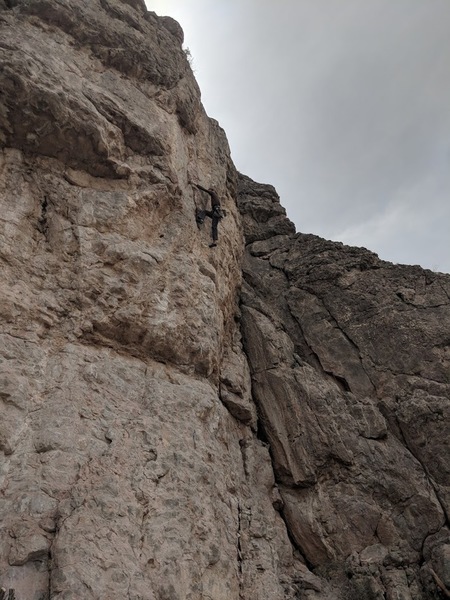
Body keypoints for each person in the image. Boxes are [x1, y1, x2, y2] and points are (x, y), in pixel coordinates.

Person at [192, 183, 224, 247]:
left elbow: (205, 190)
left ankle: (201, 219)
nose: (209, 191)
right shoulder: (216, 198)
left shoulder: (213, 193)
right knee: (213, 226)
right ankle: (214, 242)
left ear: (212, 190)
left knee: (213, 225)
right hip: (216, 213)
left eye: (210, 190)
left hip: (215, 213)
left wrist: (196, 185)